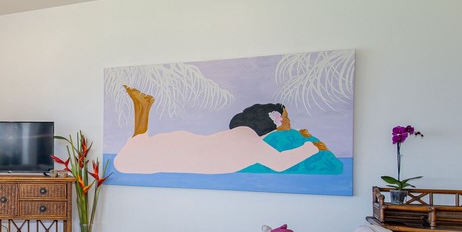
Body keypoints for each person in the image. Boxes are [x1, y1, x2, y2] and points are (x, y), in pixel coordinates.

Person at [114, 87, 339, 175]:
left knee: (129, 160)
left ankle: (143, 108)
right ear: (277, 120)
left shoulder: (244, 135)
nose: (289, 122)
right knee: (125, 163)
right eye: (287, 118)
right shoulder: (250, 142)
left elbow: (269, 140)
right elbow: (279, 164)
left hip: (191, 147)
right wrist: (311, 147)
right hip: (194, 154)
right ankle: (143, 108)